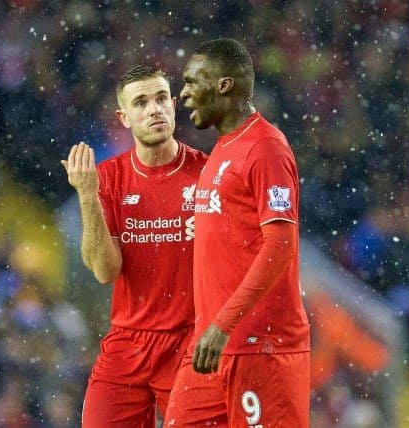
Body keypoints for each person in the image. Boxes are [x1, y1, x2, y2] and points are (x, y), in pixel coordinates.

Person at [165, 39, 310, 427]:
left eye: (193, 82)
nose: (184, 93)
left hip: (259, 348)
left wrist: (223, 324)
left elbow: (280, 246)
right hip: (211, 348)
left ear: (224, 85)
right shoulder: (221, 152)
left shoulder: (265, 148)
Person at [61, 65, 207, 427]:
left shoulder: (209, 173)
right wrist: (87, 195)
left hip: (191, 342)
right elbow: (104, 271)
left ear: (174, 105)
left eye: (160, 99)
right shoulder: (108, 178)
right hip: (128, 342)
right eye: (141, 102)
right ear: (123, 118)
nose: (154, 109)